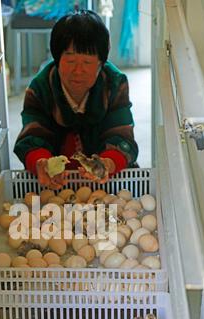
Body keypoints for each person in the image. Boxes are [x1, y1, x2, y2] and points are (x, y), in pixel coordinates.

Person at [14, 10, 138, 189]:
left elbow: (122, 136)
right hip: (54, 182)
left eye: (87, 62)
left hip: (105, 181)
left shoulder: (114, 84)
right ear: (57, 59)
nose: (78, 71)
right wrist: (41, 163)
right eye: (70, 61)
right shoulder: (41, 87)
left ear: (101, 64)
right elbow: (33, 136)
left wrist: (108, 164)